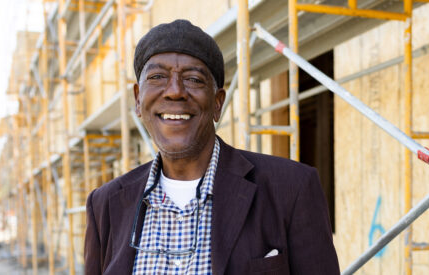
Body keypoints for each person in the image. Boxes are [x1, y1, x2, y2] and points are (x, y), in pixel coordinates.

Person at [84, 19, 340, 275]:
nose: (175, 91)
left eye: (194, 79)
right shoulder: (105, 205)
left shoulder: (291, 189)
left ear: (218, 103)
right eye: (158, 77)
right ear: (138, 99)